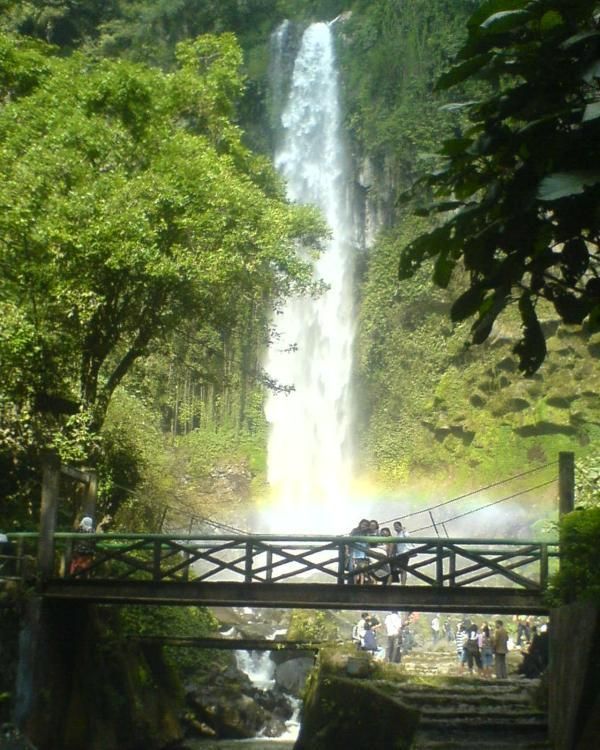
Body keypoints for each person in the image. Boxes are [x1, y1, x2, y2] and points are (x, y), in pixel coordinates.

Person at [391, 520, 412, 585]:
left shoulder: (404, 533)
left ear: (400, 526)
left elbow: (408, 538)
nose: (396, 528)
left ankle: (403, 584)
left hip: (405, 553)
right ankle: (401, 583)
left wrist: (404, 531)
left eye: (397, 526)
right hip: (399, 554)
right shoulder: (398, 535)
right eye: (394, 527)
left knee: (403, 569)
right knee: (399, 568)